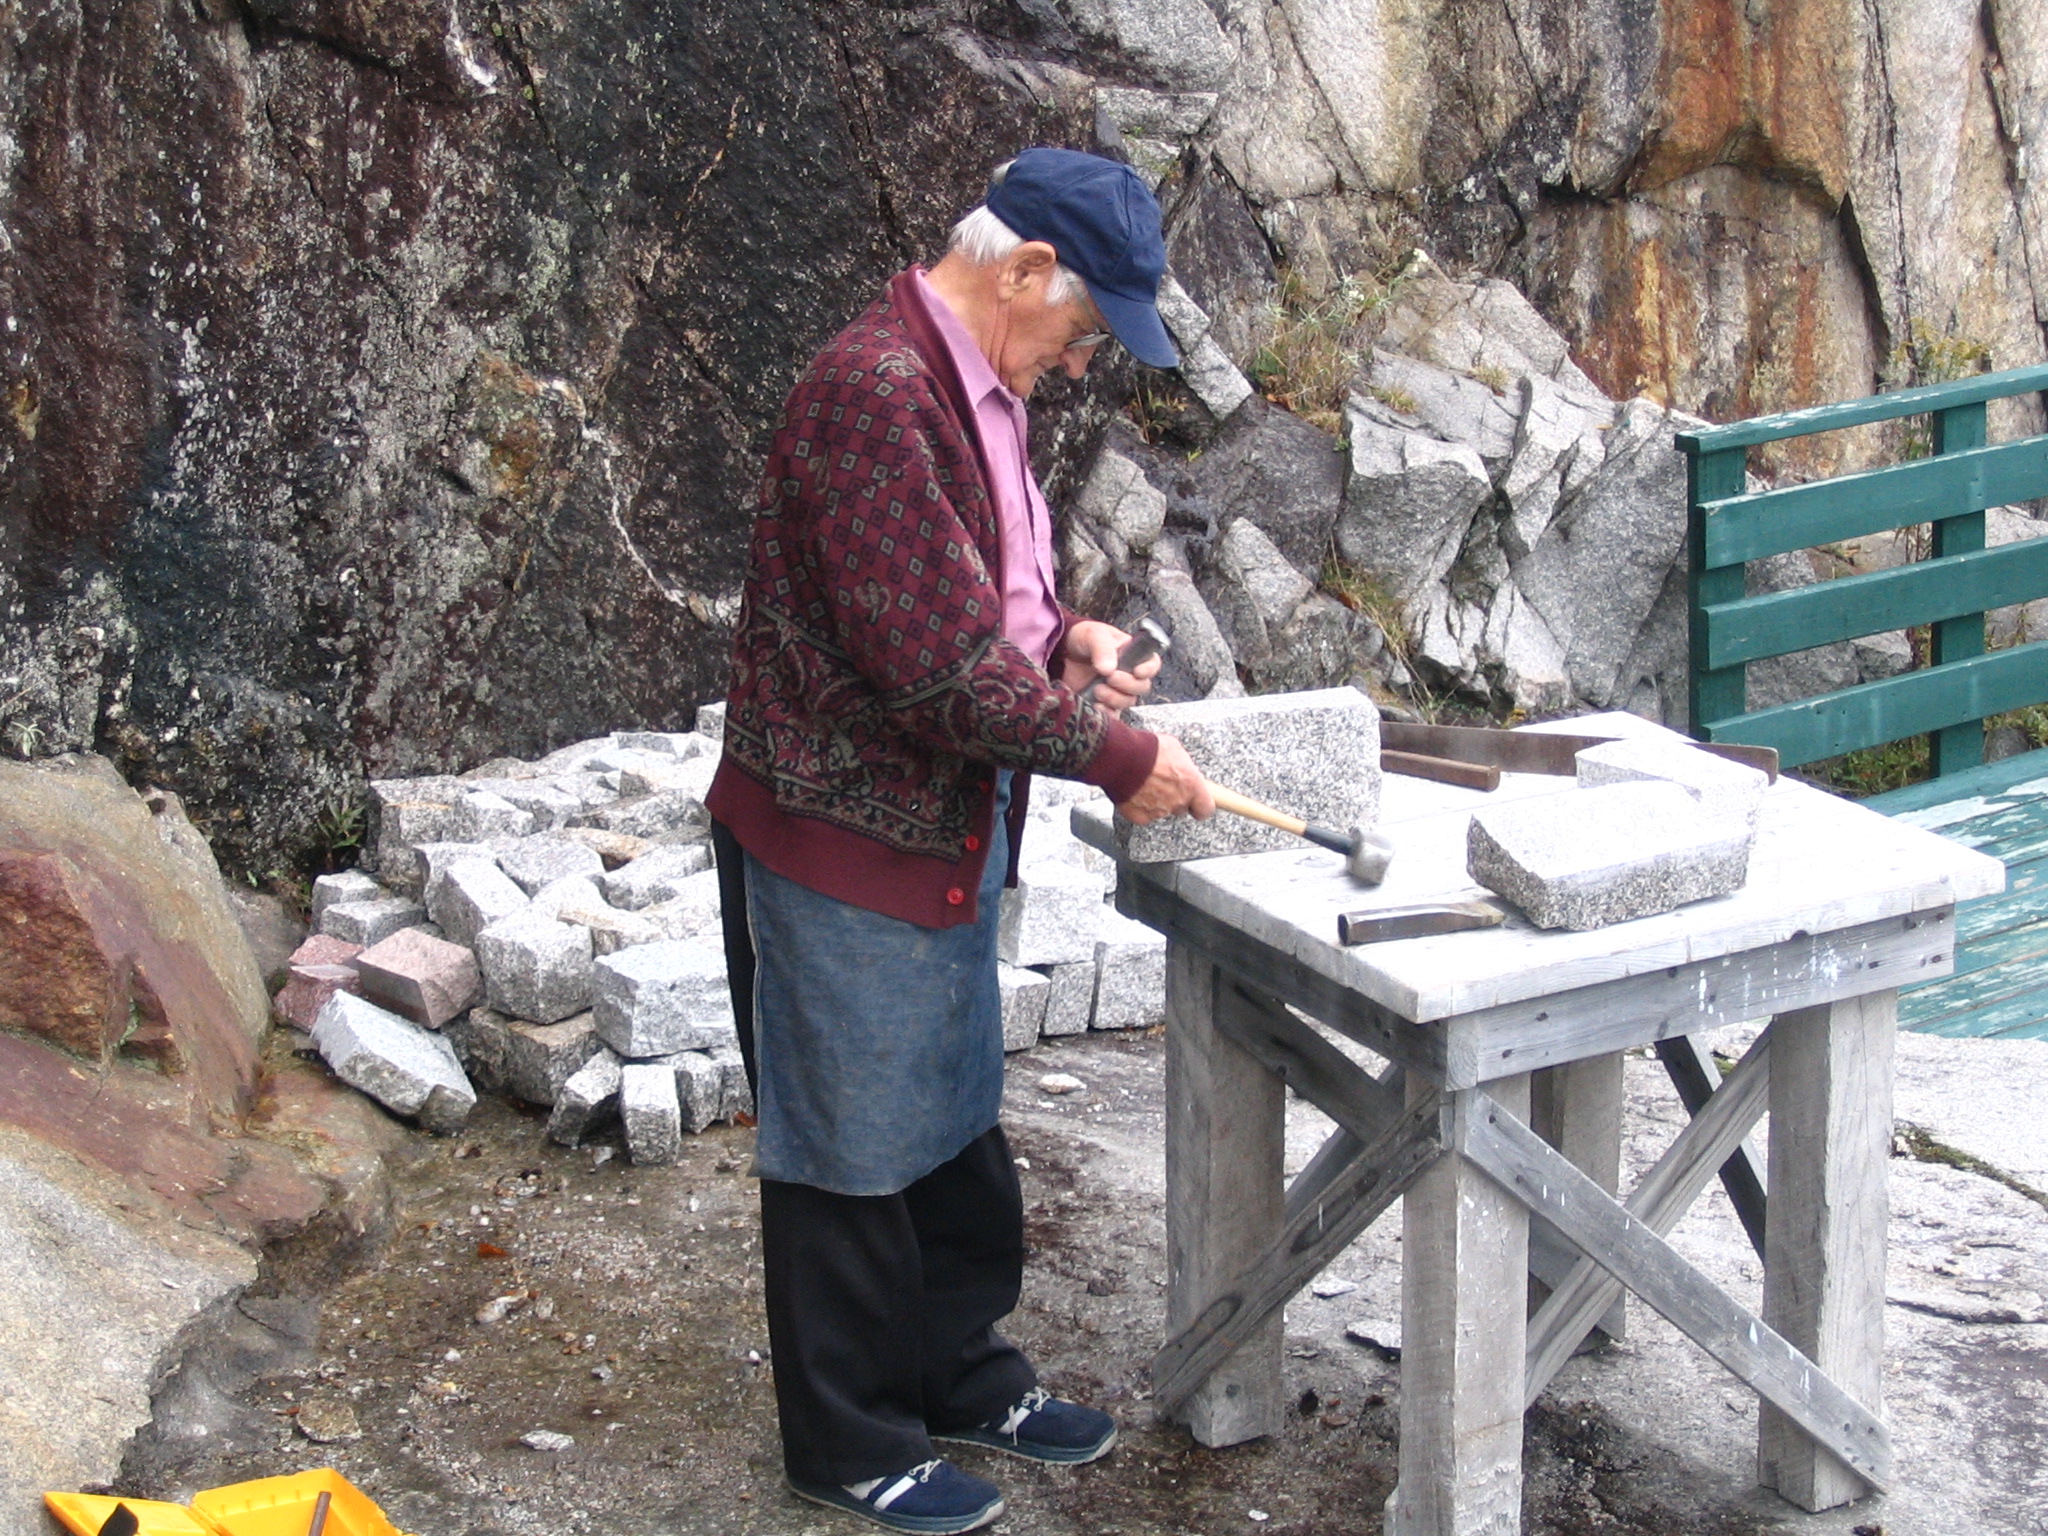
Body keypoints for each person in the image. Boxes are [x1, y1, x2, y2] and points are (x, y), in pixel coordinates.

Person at [704, 147, 1213, 1534]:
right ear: (1025, 270)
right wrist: (1119, 760)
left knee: (943, 1113)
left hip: (944, 820)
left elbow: (987, 600)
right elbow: (933, 665)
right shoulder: (871, 395)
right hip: (837, 834)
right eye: (1084, 321)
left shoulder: (975, 385)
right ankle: (848, 1439)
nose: (1081, 352)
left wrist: (1071, 638)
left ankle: (958, 1375)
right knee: (849, 1146)